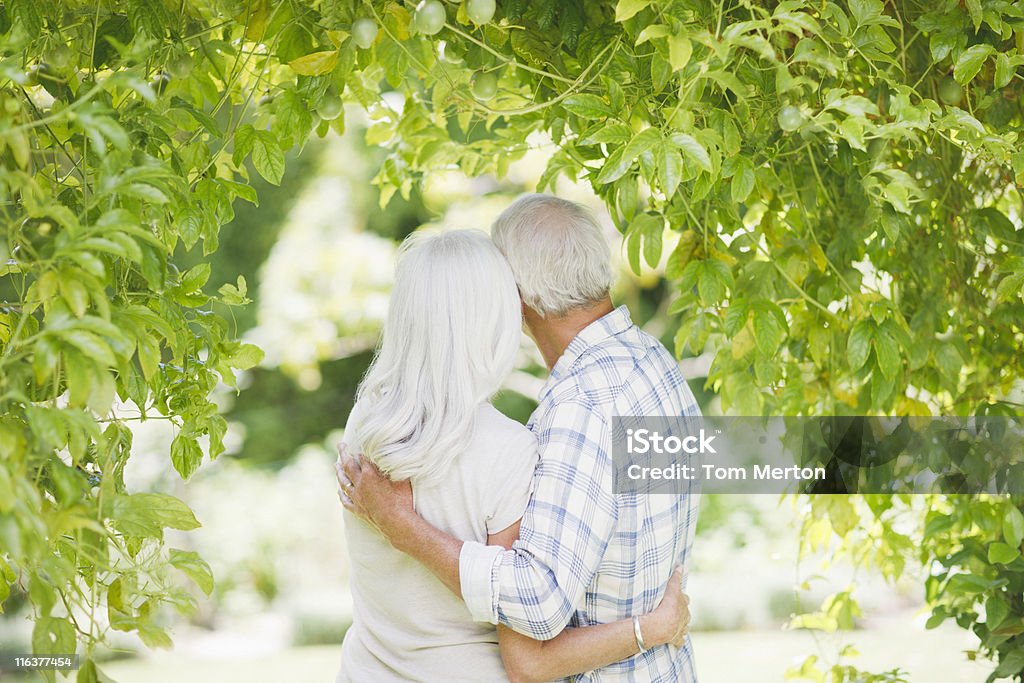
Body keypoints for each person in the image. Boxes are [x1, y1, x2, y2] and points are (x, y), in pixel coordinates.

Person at [340, 194, 702, 682]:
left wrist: (402, 527)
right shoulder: (654, 364)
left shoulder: (578, 411)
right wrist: (652, 628)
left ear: (519, 296)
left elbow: (537, 603)